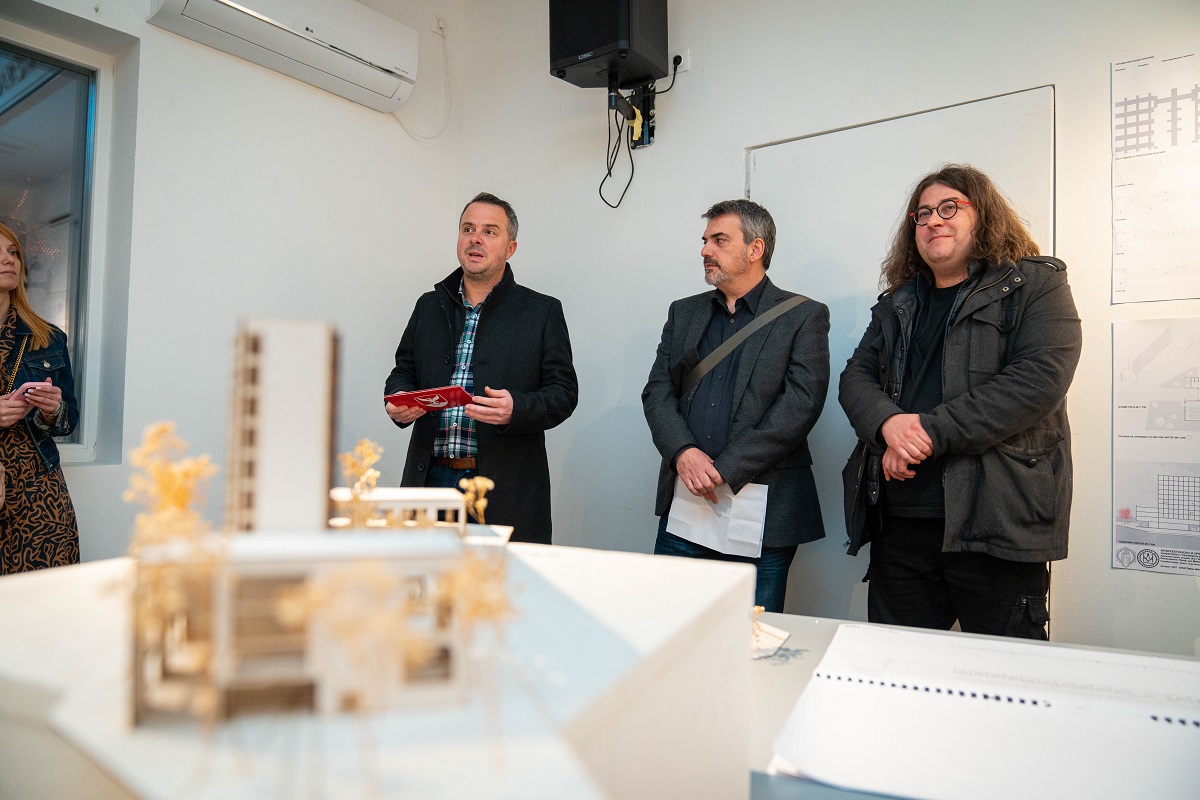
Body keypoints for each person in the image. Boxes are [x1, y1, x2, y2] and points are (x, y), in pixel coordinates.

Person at [839, 164, 1082, 639]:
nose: (933, 220)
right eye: (923, 213)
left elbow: (1038, 379)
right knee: (896, 670)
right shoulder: (897, 303)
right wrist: (888, 425)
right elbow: (856, 376)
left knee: (1008, 676)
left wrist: (924, 434)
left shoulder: (1036, 284)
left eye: (949, 207)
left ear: (983, 214)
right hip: (901, 524)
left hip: (997, 523)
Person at [642, 199, 830, 612]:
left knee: (750, 637)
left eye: (719, 240)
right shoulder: (683, 312)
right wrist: (684, 453)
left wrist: (724, 471)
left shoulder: (802, 316)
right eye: (705, 240)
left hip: (764, 512)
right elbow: (657, 390)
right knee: (668, 626)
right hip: (686, 504)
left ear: (755, 248)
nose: (705, 250)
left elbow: (800, 405)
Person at [384, 193, 577, 544]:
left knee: (499, 579)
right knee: (425, 577)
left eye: (490, 231)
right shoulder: (429, 305)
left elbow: (563, 393)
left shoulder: (541, 312)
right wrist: (399, 396)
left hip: (504, 489)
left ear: (510, 248)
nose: (475, 238)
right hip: (431, 482)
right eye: (468, 229)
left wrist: (516, 409)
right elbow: (404, 370)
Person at [0, 221, 80, 574]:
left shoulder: (48, 337)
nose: (9, 260)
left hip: (38, 494)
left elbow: (68, 420)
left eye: (13, 252)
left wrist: (51, 410)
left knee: (45, 597)